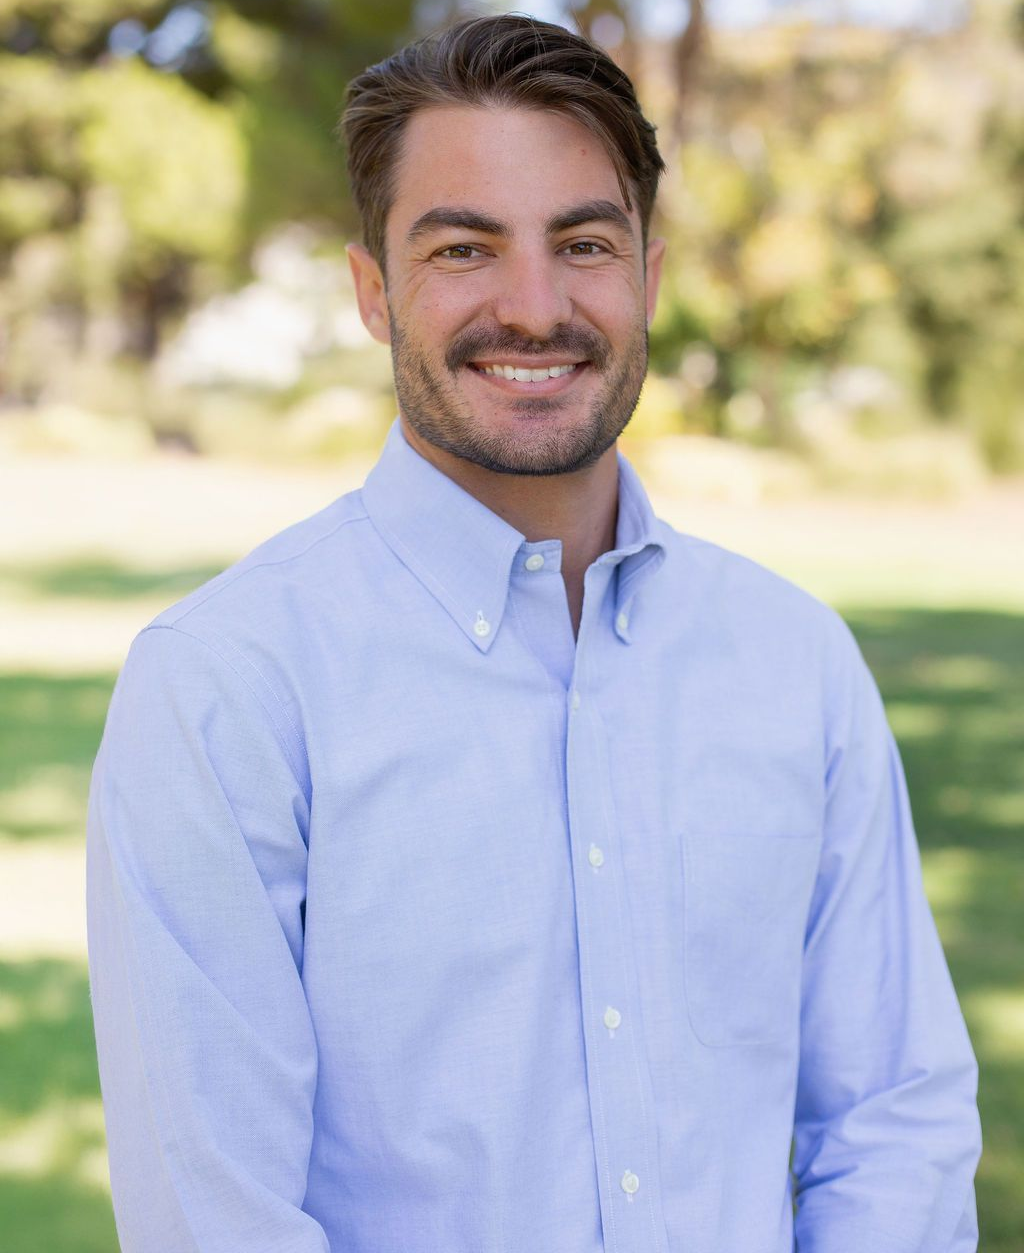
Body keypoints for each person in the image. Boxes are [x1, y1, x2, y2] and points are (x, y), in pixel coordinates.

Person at [86, 14, 981, 1252]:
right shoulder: (229, 688)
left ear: (646, 277)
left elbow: (895, 1116)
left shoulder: (795, 664)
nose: (534, 304)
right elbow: (213, 1213)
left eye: (583, 242)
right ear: (370, 290)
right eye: (463, 246)